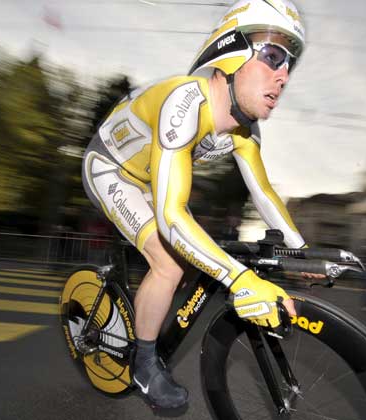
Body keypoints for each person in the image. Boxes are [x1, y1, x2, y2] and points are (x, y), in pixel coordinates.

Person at [81, 0, 318, 409]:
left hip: (149, 179)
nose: (283, 76)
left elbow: (263, 192)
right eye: (273, 56)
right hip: (110, 169)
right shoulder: (185, 101)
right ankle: (143, 362)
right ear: (231, 53)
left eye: (289, 65)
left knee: (197, 252)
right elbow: (172, 216)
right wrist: (241, 281)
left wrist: (301, 252)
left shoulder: (245, 129)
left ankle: (146, 316)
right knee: (170, 261)